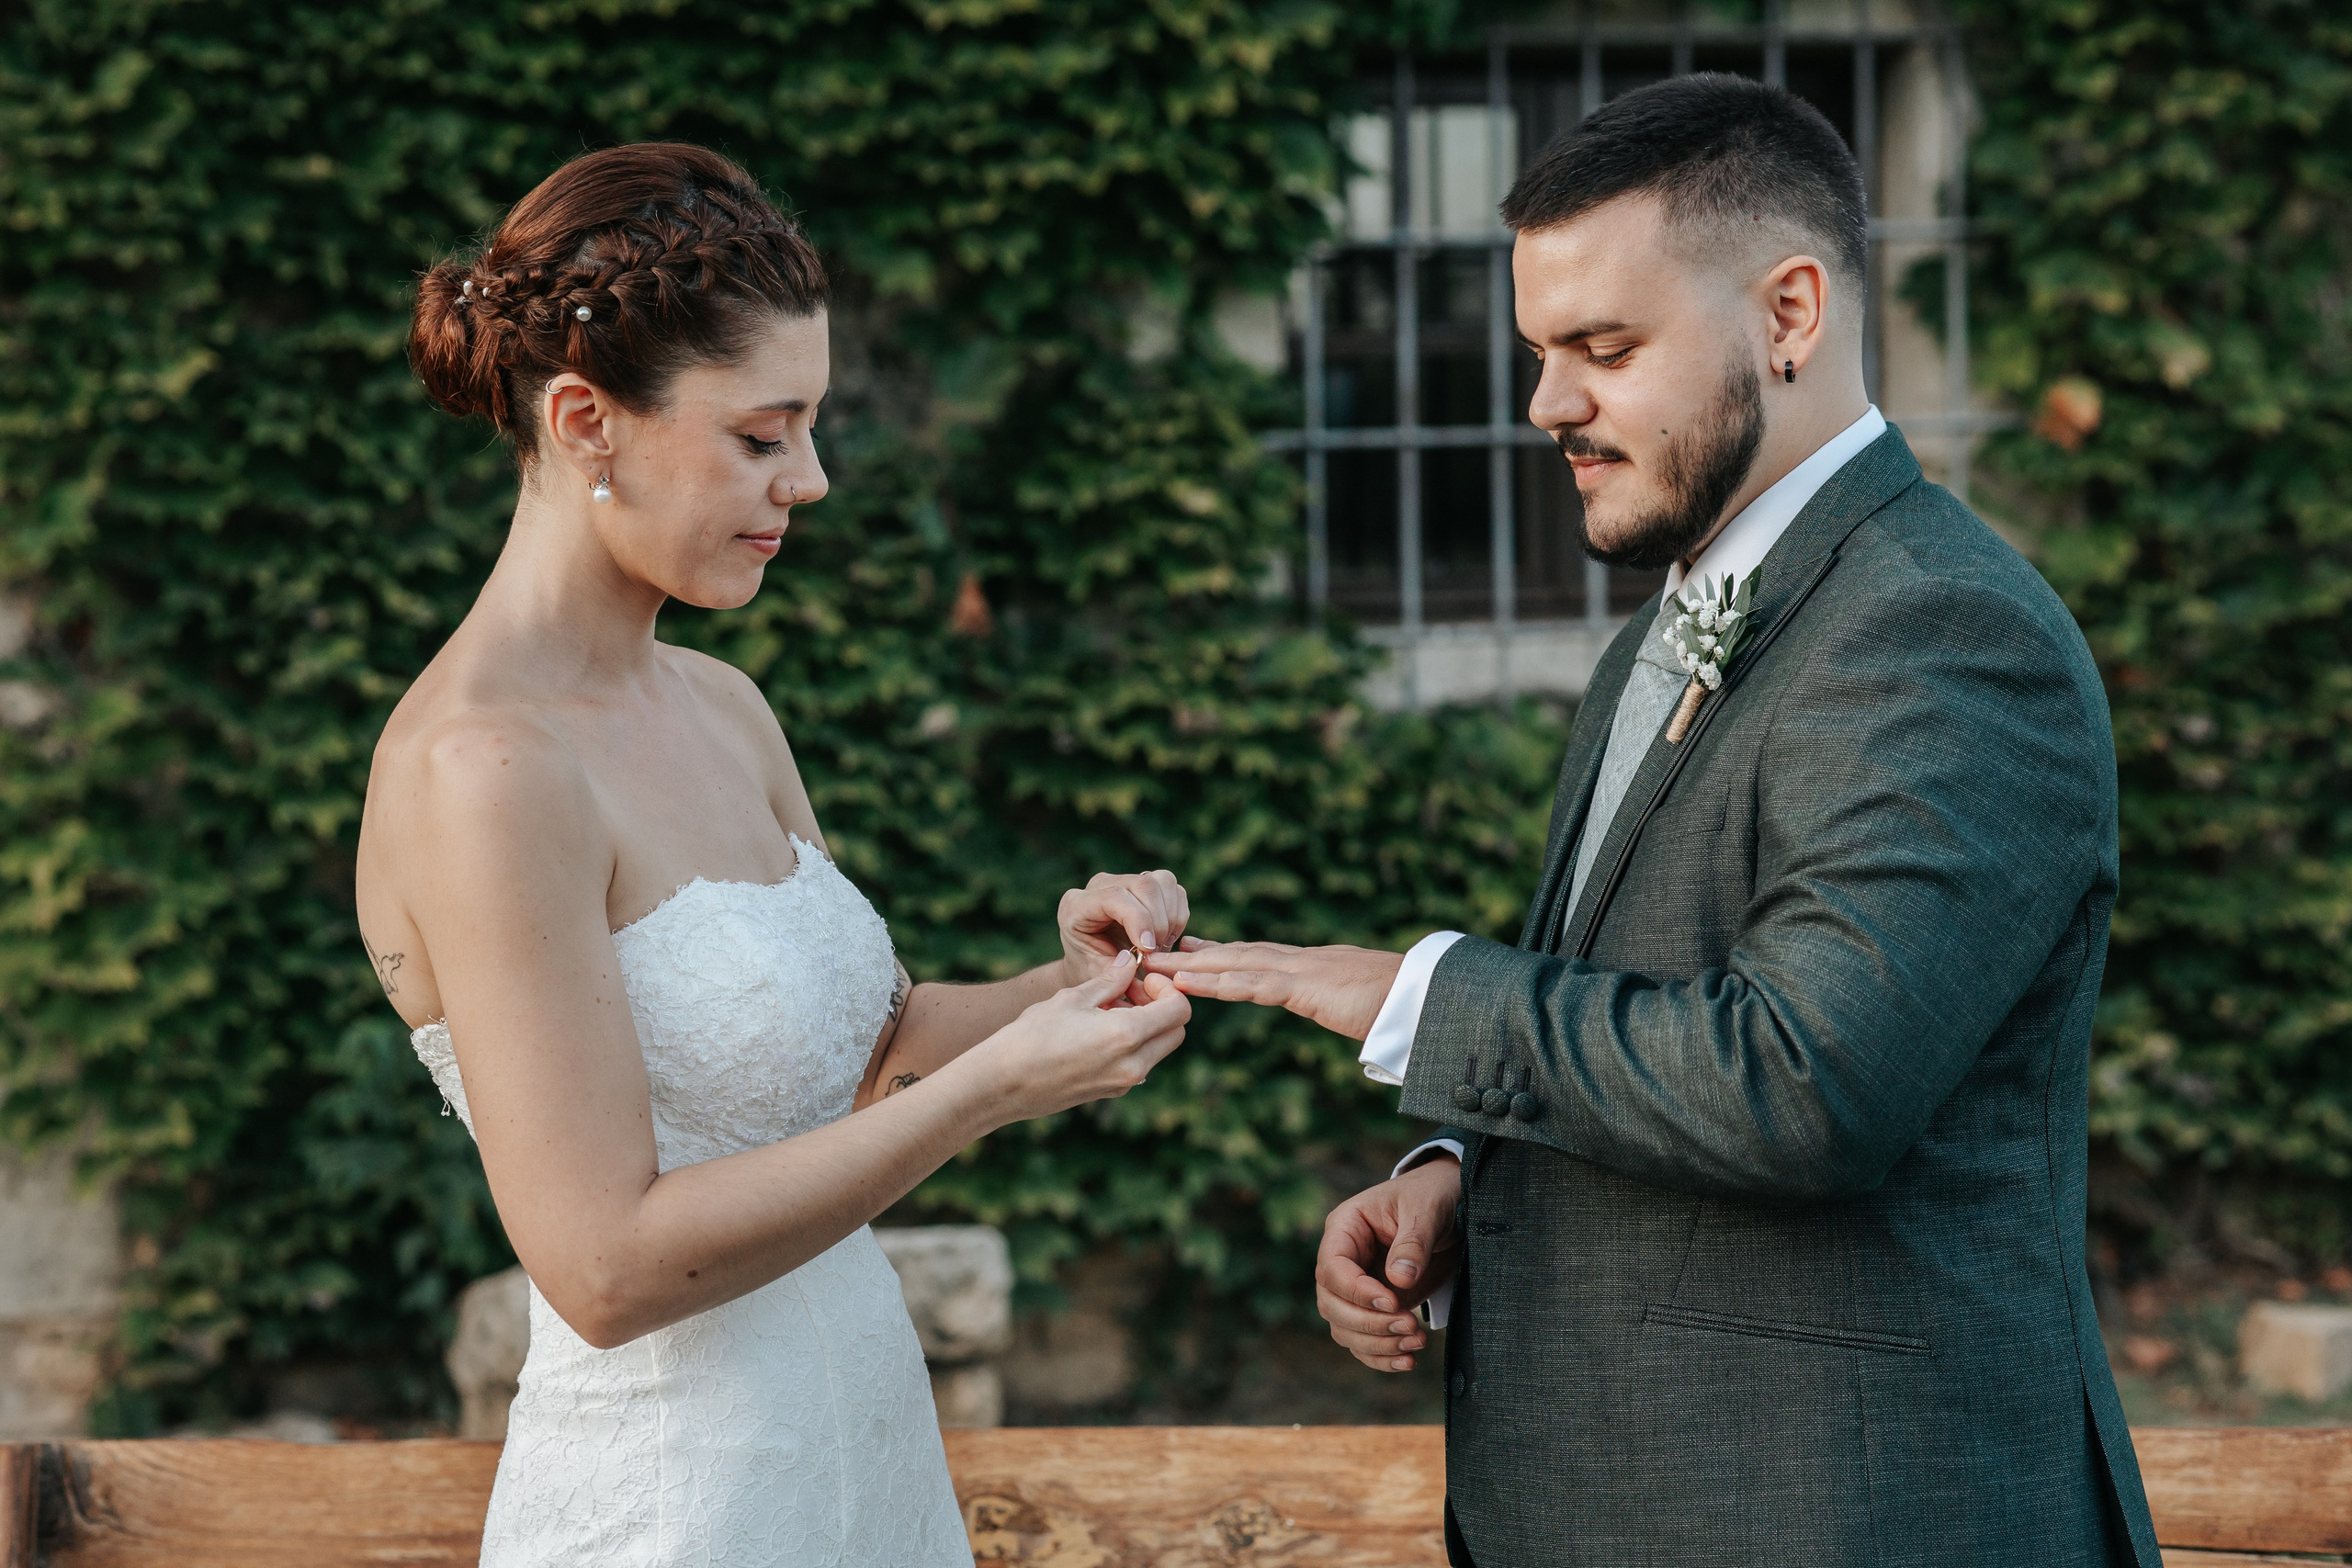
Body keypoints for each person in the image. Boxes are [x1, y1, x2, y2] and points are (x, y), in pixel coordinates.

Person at [1148, 75, 2162, 1568]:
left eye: (1603, 350)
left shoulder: (1941, 632)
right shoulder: (1662, 628)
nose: (1548, 402)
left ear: (1791, 315)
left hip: (1841, 1523)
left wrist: (1417, 994)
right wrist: (1458, 1173)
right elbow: (1658, 1011)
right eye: (1541, 352)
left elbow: (1805, 1082)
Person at [356, 142, 1193, 1567]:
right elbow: (606, 1267)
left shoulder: (725, 705)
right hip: (676, 1503)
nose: (809, 479)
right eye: (762, 434)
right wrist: (990, 1096)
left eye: (808, 429)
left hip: (860, 1460)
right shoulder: (481, 769)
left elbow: (863, 1052)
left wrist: (1063, 989)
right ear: (584, 422)